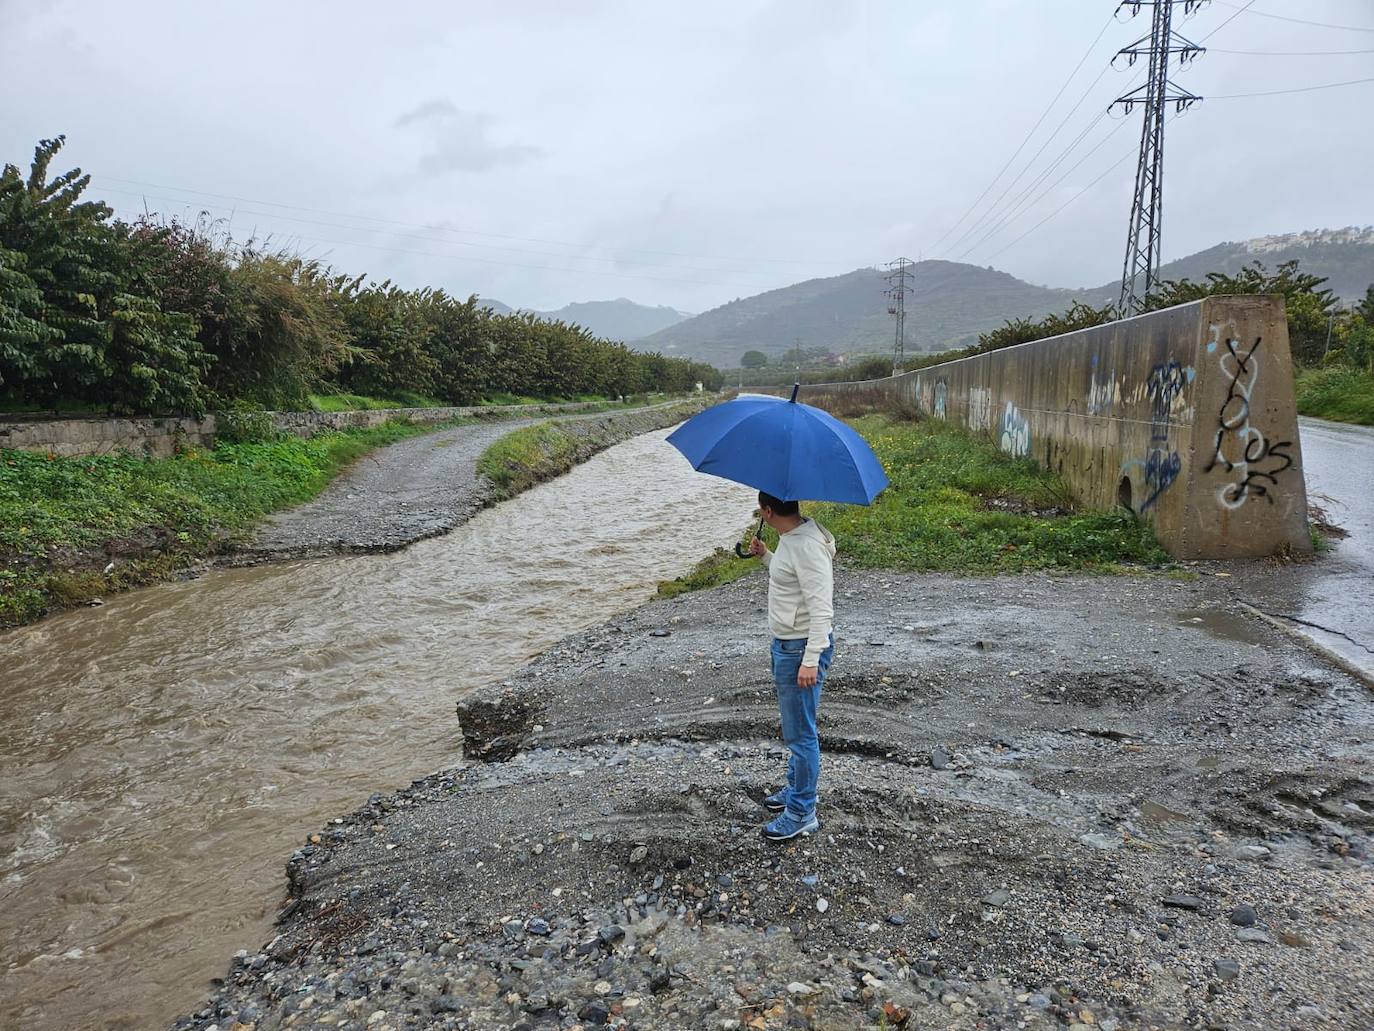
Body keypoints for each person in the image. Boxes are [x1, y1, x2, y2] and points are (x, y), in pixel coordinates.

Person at [748, 491, 836, 841]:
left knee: (801, 735)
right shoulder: (792, 536)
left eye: (760, 510)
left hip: (799, 650)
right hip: (789, 644)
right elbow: (790, 580)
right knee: (797, 729)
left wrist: (810, 659)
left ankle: (802, 811)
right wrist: (766, 556)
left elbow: (822, 609)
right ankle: (795, 789)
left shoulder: (806, 546)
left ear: (768, 511)